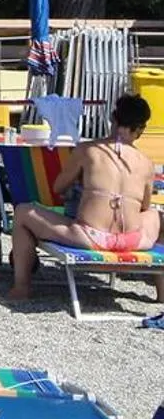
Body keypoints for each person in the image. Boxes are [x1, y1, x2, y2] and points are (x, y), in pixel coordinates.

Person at [8, 93, 160, 300]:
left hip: (91, 237)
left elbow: (59, 187)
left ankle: (21, 288)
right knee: (156, 215)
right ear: (141, 129)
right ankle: (162, 294)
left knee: (22, 212)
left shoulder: (87, 150)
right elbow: (144, 206)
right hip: (132, 239)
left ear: (113, 118)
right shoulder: (147, 164)